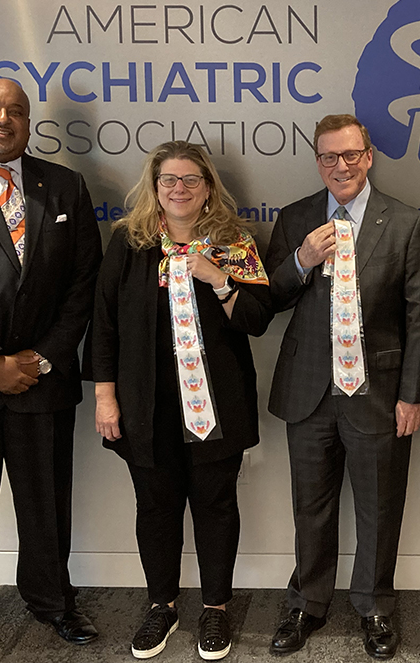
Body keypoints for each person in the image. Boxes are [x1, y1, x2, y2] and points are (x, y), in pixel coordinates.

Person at [89, 141, 271, 661]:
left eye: (191, 179)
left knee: (216, 505)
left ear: (208, 186)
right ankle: (161, 606)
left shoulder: (234, 242)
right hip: (147, 407)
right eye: (168, 180)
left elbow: (258, 319)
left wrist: (219, 280)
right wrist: (106, 399)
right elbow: (103, 324)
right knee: (156, 506)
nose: (179, 189)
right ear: (154, 187)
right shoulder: (130, 242)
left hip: (217, 406)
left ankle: (216, 608)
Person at [265, 114, 420, 660]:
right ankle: (307, 602)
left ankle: (375, 604)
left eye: (350, 154)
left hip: (379, 392)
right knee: (309, 506)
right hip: (309, 388)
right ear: (318, 161)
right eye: (329, 157)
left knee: (381, 506)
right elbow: (271, 297)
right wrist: (300, 260)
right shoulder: (295, 219)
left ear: (369, 155)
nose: (341, 166)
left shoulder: (405, 222)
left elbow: (419, 316)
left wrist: (412, 394)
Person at [0, 79, 102, 656]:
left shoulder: (64, 185)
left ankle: (51, 601)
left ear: (28, 123)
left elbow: (83, 281)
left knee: (46, 504)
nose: (4, 119)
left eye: (16, 111)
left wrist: (43, 356)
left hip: (43, 380)